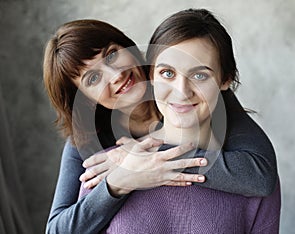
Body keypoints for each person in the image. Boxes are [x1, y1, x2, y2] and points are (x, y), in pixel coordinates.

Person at [43, 17, 278, 233]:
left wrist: (145, 157)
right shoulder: (86, 141)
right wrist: (118, 181)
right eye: (93, 79)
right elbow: (57, 230)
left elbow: (261, 177)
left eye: (112, 54)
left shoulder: (198, 94)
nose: (115, 75)